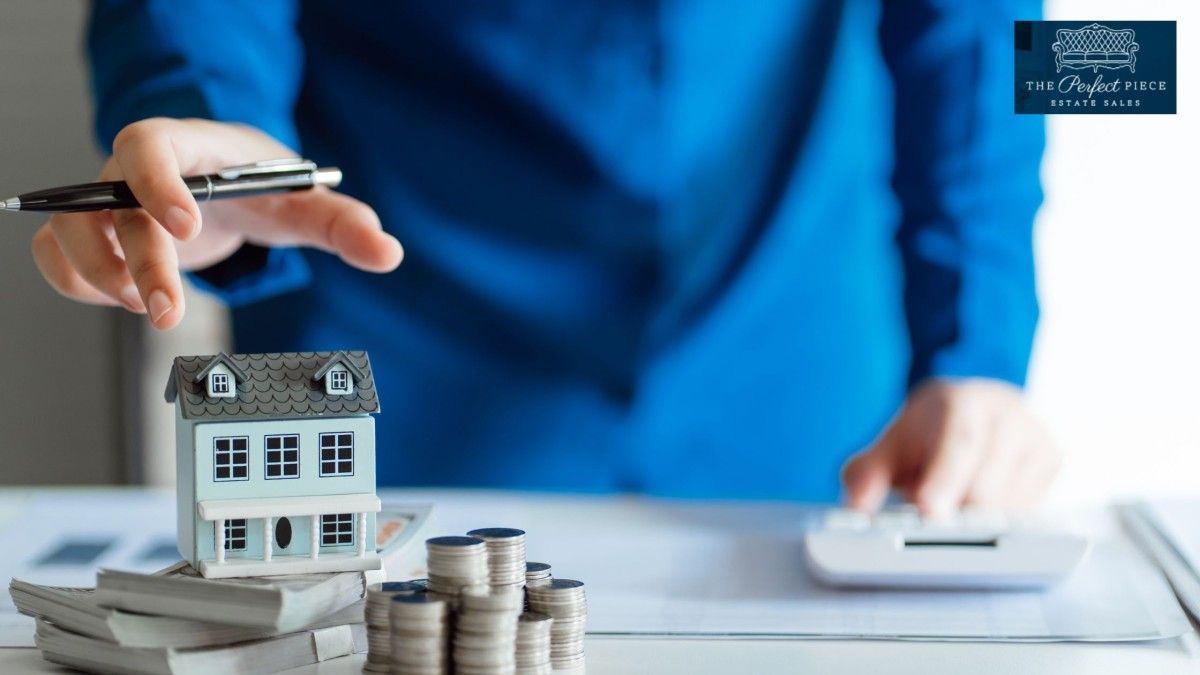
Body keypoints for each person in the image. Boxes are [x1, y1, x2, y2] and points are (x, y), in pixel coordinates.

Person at [32, 1, 1058, 514]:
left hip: (786, 317)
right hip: (400, 298)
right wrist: (206, 120)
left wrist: (976, 339)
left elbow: (988, 25)